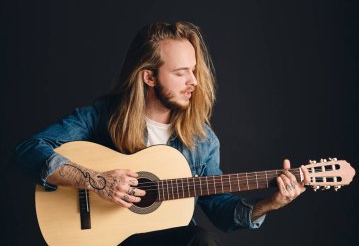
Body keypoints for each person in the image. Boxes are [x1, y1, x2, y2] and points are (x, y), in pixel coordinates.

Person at [14, 21, 310, 246]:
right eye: (181, 72)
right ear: (149, 76)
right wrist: (96, 181)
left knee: (201, 240)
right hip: (107, 240)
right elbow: (28, 150)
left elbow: (220, 210)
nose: (194, 81)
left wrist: (269, 204)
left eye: (194, 71)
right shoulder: (102, 116)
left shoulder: (202, 139)